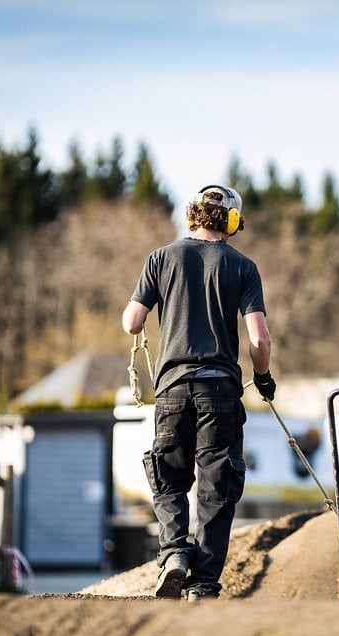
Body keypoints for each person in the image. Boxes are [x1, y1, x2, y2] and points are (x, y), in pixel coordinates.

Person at [122, 184, 276, 601]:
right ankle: (203, 583)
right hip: (221, 394)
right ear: (231, 221)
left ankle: (174, 554)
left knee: (169, 478)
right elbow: (259, 340)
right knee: (217, 489)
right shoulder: (243, 267)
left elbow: (132, 322)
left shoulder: (159, 258)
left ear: (192, 215)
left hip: (171, 391)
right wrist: (263, 377)